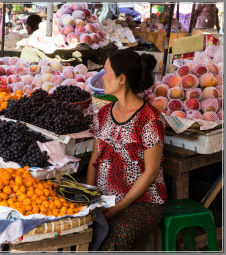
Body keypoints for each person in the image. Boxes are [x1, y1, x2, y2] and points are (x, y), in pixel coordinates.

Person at [86, 49, 167, 251]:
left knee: (115, 236)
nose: (102, 78)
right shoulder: (103, 114)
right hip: (104, 199)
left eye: (106, 72)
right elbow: (93, 161)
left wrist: (117, 208)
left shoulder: (149, 119)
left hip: (143, 202)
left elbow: (151, 173)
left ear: (121, 79)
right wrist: (88, 198)